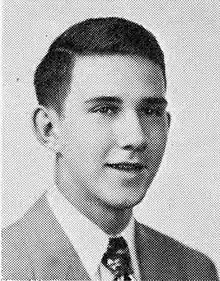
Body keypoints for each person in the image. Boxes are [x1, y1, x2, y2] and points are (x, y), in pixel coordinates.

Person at [2, 17, 218, 280]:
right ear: (49, 130)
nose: (136, 137)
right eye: (105, 109)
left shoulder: (194, 271)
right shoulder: (9, 266)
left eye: (150, 111)